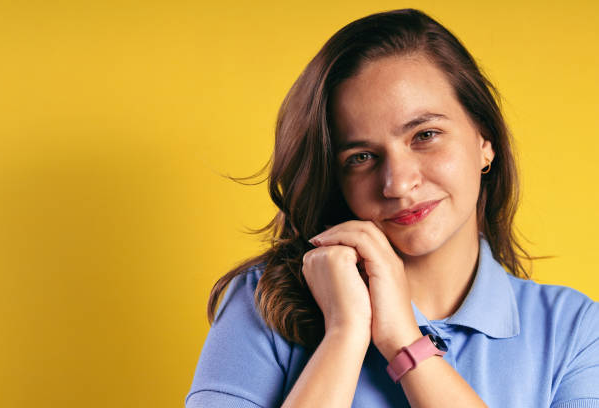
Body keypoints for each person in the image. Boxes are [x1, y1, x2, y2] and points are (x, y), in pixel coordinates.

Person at [185, 8, 599, 407]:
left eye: (426, 134)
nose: (398, 183)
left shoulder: (575, 330)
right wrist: (344, 335)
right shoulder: (265, 305)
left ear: (484, 141)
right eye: (361, 157)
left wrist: (403, 341)